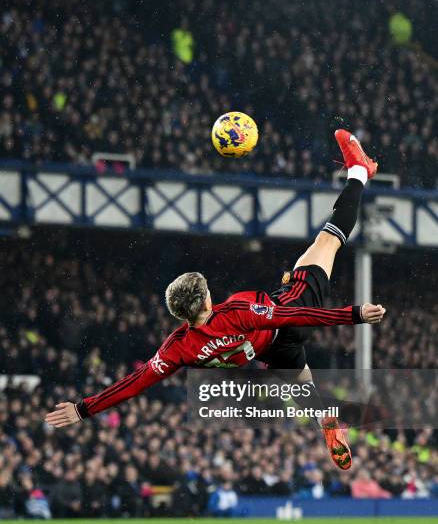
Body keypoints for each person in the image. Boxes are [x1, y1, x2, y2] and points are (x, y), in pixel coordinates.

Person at [46, 130, 385, 472]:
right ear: (207, 300)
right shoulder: (235, 310)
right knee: (328, 241)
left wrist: (84, 408)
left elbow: (134, 383)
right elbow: (295, 314)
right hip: (287, 320)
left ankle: (326, 421)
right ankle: (359, 171)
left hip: (271, 352)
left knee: (303, 384)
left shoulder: (178, 347)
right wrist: (354, 314)